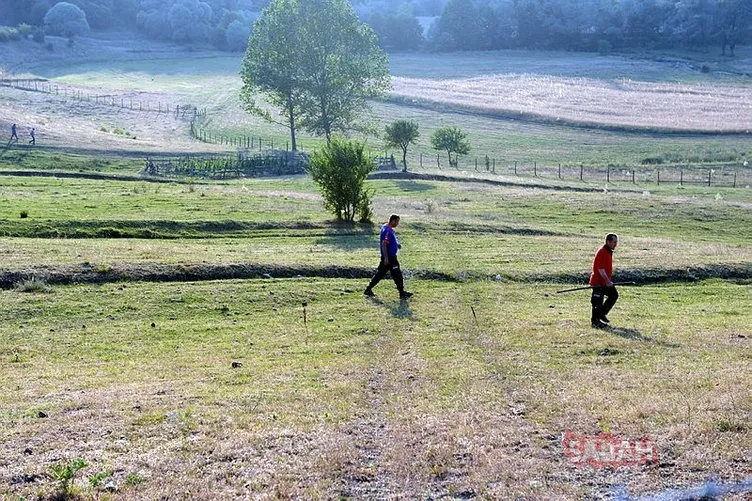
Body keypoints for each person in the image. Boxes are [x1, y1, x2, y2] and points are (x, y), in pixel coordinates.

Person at [364, 214, 413, 300]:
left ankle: (368, 289)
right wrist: (386, 258)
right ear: (392, 221)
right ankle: (402, 294)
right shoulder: (387, 230)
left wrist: (396, 244)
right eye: (397, 221)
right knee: (397, 274)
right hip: (390, 258)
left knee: (380, 274)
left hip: (389, 257)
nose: (397, 223)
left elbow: (389, 241)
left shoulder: (387, 228)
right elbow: (384, 244)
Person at [589, 233, 619, 328]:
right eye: (614, 242)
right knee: (597, 302)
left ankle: (601, 314)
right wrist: (607, 281)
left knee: (613, 295)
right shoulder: (602, 251)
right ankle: (595, 322)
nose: (615, 244)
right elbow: (600, 269)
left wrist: (607, 280)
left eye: (616, 242)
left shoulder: (608, 251)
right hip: (598, 282)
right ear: (608, 241)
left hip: (604, 281)